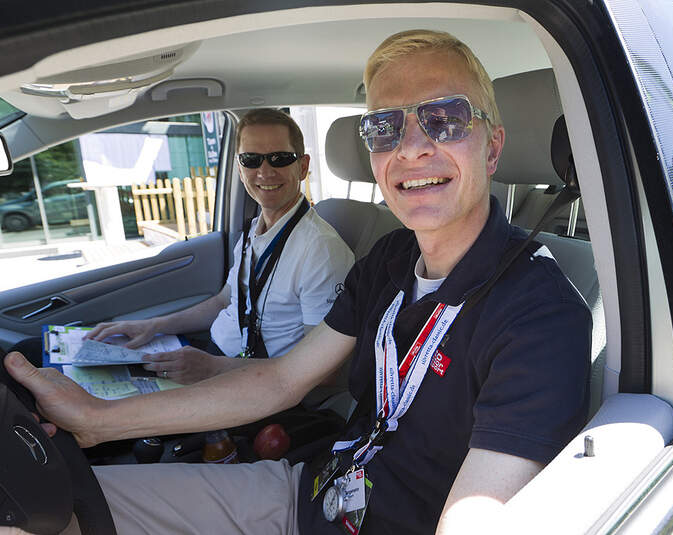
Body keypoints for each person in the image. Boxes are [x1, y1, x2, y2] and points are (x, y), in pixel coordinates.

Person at [4, 29, 591, 535]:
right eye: (385, 128)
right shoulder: (389, 258)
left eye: (445, 120)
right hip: (307, 492)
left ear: (492, 147)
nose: (412, 147)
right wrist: (93, 418)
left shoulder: (539, 312)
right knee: (46, 511)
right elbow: (281, 379)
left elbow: (476, 517)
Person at [82, 109, 355, 384]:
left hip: (257, 384)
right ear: (239, 168)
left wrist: (214, 369)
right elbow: (225, 301)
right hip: (218, 357)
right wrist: (154, 326)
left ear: (303, 166)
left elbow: (323, 371)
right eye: (251, 160)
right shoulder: (255, 229)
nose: (265, 171)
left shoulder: (321, 249)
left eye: (280, 158)